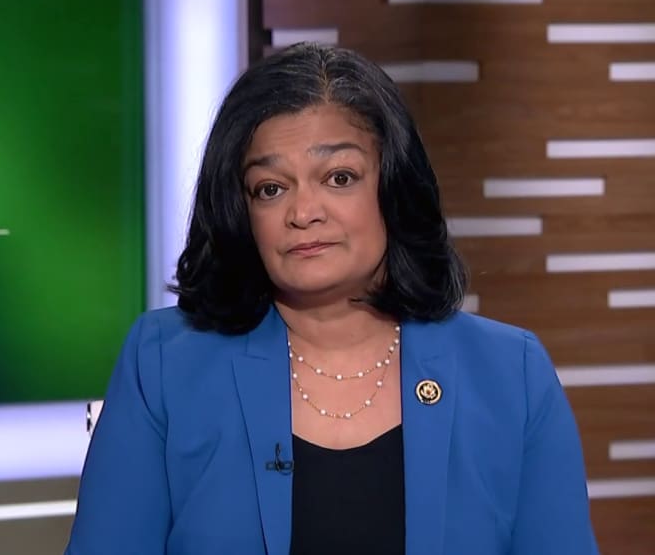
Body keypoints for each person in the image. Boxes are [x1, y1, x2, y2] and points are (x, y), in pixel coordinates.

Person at [65, 43, 599, 555]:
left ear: (393, 186)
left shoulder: (510, 375)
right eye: (271, 188)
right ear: (241, 211)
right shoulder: (164, 365)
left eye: (339, 177)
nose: (304, 213)